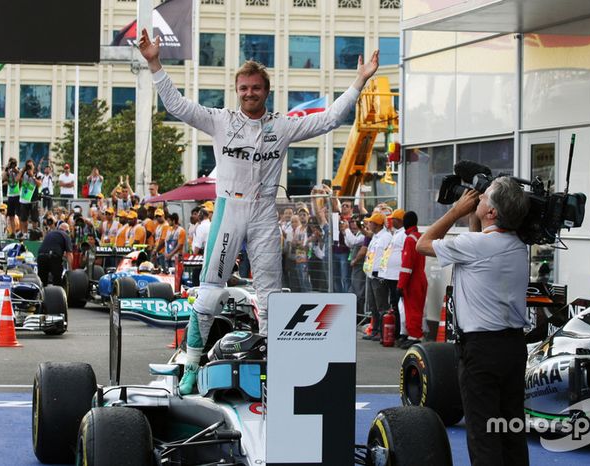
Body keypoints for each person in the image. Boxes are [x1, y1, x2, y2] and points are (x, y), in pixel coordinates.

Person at [140, 26, 379, 394]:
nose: (250, 93)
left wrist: (359, 81)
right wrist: (155, 62)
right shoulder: (220, 120)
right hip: (228, 210)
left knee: (270, 295)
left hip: (265, 213)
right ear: (237, 91)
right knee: (208, 293)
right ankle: (190, 366)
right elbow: (177, 105)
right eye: (244, 88)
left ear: (266, 91)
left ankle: (272, 366)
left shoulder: (281, 126)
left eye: (256, 88)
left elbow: (330, 118)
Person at [417, 178, 530, 466]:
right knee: (509, 428)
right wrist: (472, 218)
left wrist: (455, 211)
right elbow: (479, 248)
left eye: (483, 199)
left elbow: (423, 244)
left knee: (482, 433)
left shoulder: (475, 246)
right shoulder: (518, 246)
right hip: (513, 348)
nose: (476, 199)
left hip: (481, 350)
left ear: (492, 213)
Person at [397, 211, 427, 348]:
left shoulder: (410, 239)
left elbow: (406, 266)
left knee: (412, 310)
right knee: (417, 309)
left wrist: (401, 285)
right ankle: (413, 335)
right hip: (420, 278)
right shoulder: (418, 237)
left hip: (412, 281)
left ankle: (415, 337)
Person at [362, 212, 392, 341]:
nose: (368, 224)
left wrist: (380, 272)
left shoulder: (386, 237)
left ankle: (381, 331)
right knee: (373, 305)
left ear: (376, 224)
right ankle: (375, 330)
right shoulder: (375, 236)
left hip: (378, 276)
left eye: (370, 222)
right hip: (370, 275)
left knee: (381, 305)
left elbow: (386, 256)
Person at [379, 208, 406, 342]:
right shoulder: (396, 233)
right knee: (393, 304)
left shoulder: (404, 234)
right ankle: (395, 332)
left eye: (393, 218)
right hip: (391, 275)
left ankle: (399, 333)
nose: (391, 220)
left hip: (397, 276)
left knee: (398, 304)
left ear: (399, 220)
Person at [37, 222, 73, 287]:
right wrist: (71, 270)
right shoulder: (65, 235)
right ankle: (57, 295)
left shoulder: (50, 233)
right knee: (57, 282)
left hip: (41, 256)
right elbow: (69, 254)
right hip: (53, 257)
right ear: (67, 231)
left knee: (42, 282)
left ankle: (42, 295)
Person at [17, 159, 41, 238]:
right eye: (28, 166)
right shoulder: (23, 173)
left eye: (30, 165)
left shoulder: (37, 174)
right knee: (24, 218)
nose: (29, 167)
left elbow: (39, 184)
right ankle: (25, 234)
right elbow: (16, 180)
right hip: (24, 199)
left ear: (34, 166)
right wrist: (23, 170)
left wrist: (32, 176)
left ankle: (35, 234)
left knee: (34, 218)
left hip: (33, 199)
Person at [3, 157, 20, 238]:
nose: (12, 166)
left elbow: (20, 178)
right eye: (11, 164)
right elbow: (3, 179)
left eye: (13, 164)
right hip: (10, 195)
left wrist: (16, 170)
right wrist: (7, 169)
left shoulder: (18, 170)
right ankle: (13, 232)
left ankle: (20, 232)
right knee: (11, 215)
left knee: (20, 215)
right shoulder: (8, 171)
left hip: (18, 194)